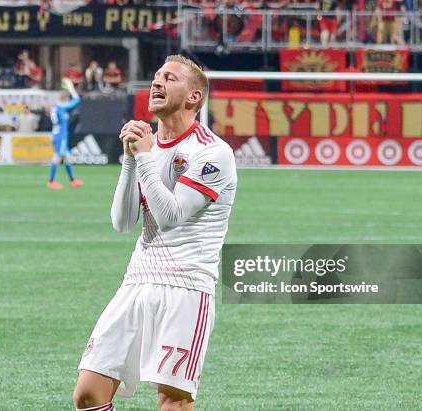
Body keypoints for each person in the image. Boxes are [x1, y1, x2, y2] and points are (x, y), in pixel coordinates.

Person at [73, 55, 237, 411]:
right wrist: (130, 159)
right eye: (157, 76)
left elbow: (171, 215)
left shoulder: (212, 152)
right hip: (137, 280)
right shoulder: (147, 145)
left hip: (186, 287)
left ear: (194, 96)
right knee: (88, 393)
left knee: (172, 402)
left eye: (170, 78)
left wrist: (144, 156)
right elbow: (122, 222)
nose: (157, 82)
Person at [47, 78, 83, 189]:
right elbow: (77, 100)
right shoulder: (62, 107)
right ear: (65, 99)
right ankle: (51, 181)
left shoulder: (56, 107)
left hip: (58, 134)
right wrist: (71, 89)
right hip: (61, 136)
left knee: (67, 157)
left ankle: (72, 180)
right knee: (57, 157)